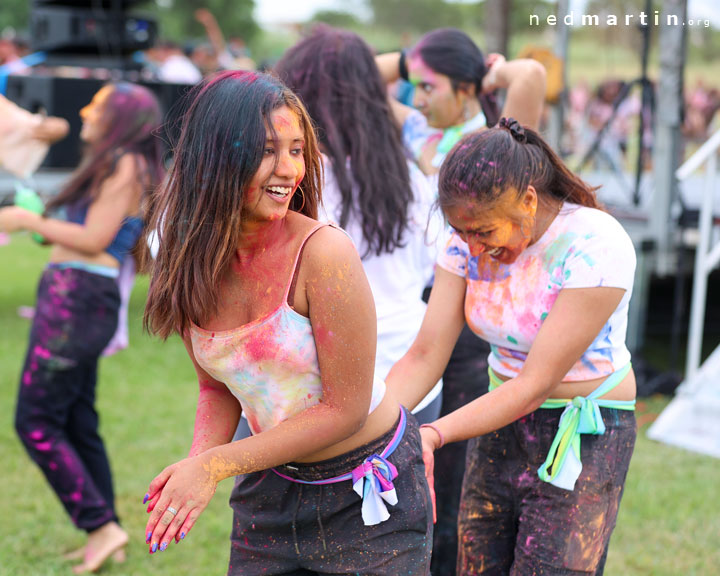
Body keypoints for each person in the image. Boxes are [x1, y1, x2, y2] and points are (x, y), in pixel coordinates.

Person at [141, 70, 432, 575]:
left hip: (367, 496)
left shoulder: (324, 253)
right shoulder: (185, 257)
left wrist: (213, 466)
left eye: (297, 150)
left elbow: (344, 409)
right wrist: (195, 466)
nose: (288, 169)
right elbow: (218, 388)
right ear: (215, 155)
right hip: (270, 485)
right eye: (268, 150)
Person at [386, 118, 637, 575]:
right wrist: (371, 427)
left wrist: (434, 433)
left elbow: (535, 385)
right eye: (463, 234)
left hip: (581, 432)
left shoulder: (594, 244)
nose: (473, 248)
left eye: (484, 232)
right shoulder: (464, 241)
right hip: (500, 425)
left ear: (528, 199)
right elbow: (424, 355)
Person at [377, 27, 547, 575]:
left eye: (428, 86)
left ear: (466, 87)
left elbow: (532, 75)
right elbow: (357, 82)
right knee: (427, 465)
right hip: (433, 303)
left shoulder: (498, 141)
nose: (417, 98)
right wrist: (410, 59)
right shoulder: (417, 133)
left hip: (479, 319)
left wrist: (489, 70)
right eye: (414, 87)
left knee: (461, 468)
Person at [0, 82, 164, 574]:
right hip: (75, 297)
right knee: (76, 419)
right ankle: (104, 528)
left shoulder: (126, 164)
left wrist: (25, 220)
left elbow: (95, 239)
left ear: (119, 118)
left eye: (98, 105)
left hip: (77, 302)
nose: (87, 111)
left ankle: (100, 525)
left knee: (34, 421)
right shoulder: (118, 163)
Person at [275, 25, 444, 427]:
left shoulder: (284, 181)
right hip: (408, 378)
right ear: (376, 97)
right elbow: (431, 267)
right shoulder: (410, 177)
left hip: (311, 387)